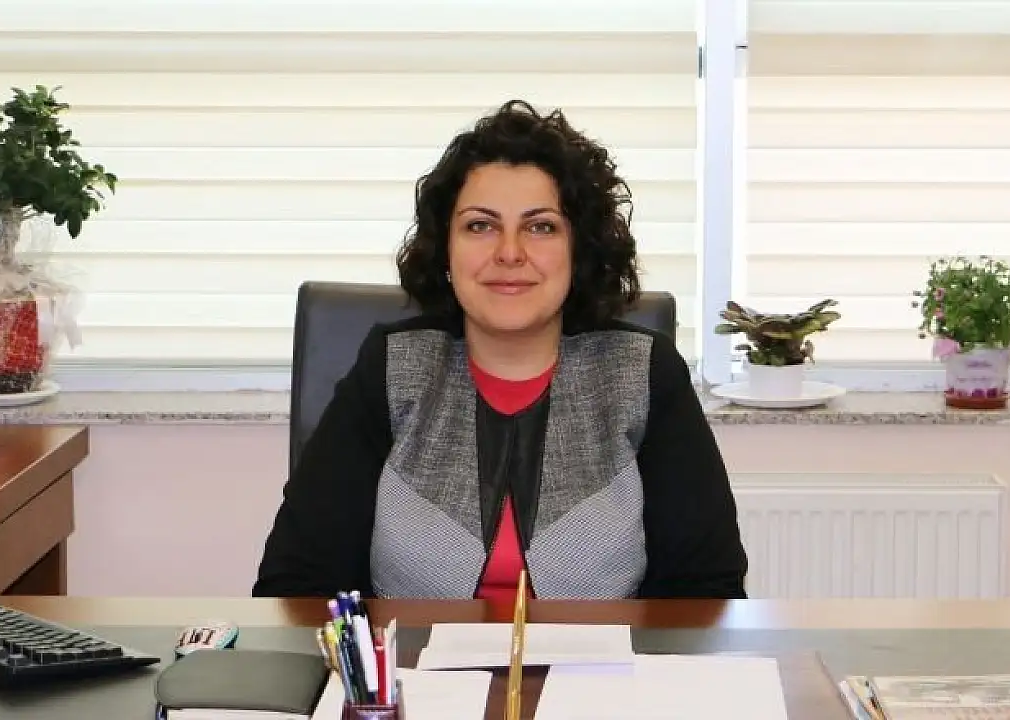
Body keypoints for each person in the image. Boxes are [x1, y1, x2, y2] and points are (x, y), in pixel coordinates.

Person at [253, 100, 747, 600]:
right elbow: (296, 585)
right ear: (446, 251)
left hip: (596, 653)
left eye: (541, 226)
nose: (510, 252)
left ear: (579, 251)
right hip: (415, 653)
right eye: (480, 226)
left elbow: (707, 593)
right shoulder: (392, 369)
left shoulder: (642, 374)